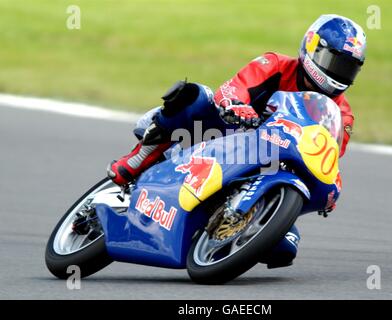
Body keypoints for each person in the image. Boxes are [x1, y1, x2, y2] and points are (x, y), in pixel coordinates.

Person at [107, 14, 367, 268]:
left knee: (285, 247)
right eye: (333, 61)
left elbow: (328, 155)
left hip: (272, 165)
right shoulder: (274, 64)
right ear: (311, 47)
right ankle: (138, 159)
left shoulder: (342, 116)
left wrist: (330, 185)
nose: (337, 72)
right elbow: (235, 87)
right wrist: (235, 104)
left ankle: (227, 230)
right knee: (195, 97)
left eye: (347, 68)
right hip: (227, 132)